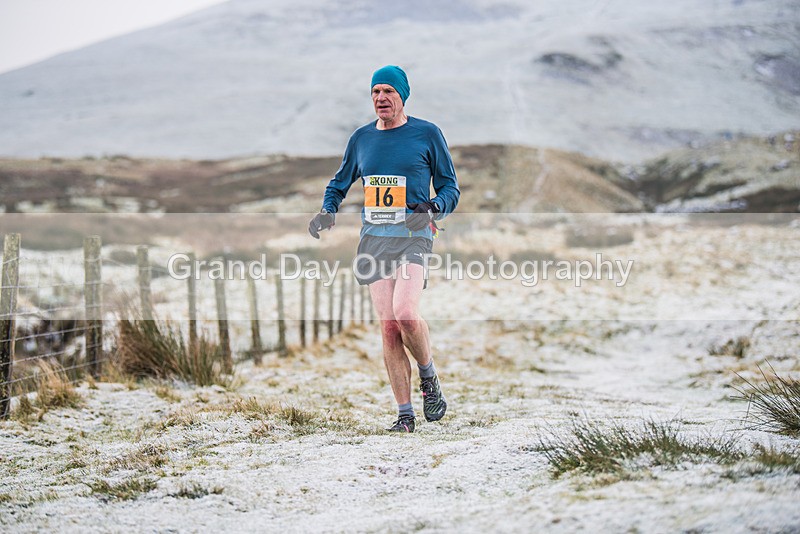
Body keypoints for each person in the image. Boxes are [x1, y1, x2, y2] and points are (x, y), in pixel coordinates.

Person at [308, 65, 460, 433]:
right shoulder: (361, 139)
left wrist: (433, 207)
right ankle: (405, 415)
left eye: (388, 91)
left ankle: (428, 375)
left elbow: (450, 188)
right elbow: (338, 183)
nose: (381, 98)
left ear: (402, 95)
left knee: (405, 312)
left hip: (414, 235)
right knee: (389, 326)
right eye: (375, 91)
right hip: (374, 239)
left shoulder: (427, 134)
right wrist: (328, 211)